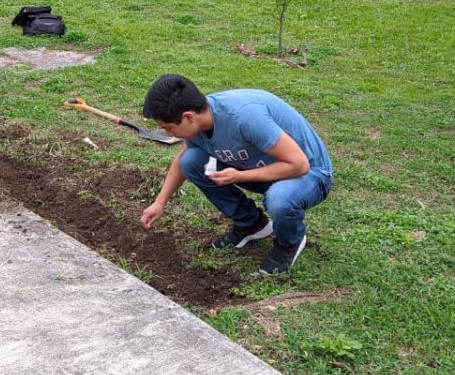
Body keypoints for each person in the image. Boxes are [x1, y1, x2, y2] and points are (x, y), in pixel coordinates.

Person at [139, 74, 334, 275]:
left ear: (188, 116)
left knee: (279, 199)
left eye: (169, 128)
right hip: (261, 168)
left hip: (310, 175)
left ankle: (290, 241)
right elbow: (183, 159)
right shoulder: (199, 121)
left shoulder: (243, 116)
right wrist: (160, 202)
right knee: (192, 161)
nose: (169, 134)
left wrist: (240, 176)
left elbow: (299, 165)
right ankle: (251, 224)